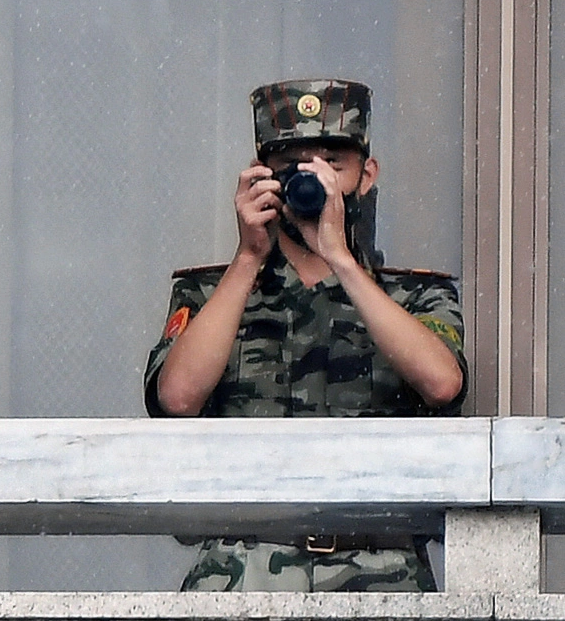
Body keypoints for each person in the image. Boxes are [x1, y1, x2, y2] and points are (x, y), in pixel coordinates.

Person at [144, 79, 468, 592]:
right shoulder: (210, 293)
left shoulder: (413, 298)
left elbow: (443, 383)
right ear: (261, 176)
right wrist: (248, 256)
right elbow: (177, 397)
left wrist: (341, 257)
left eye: (333, 165)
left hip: (382, 578)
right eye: (295, 166)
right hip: (240, 574)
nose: (315, 182)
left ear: (367, 175)